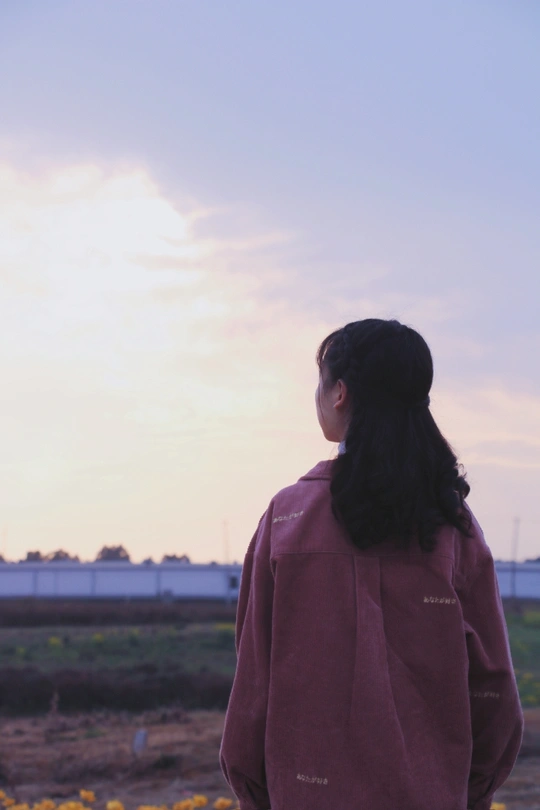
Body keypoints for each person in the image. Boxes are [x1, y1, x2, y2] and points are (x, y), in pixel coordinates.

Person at [219, 317, 524, 810]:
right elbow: (493, 688)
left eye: (320, 381)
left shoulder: (287, 519)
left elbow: (255, 681)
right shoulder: (452, 526)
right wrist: (466, 791)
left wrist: (257, 793)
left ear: (340, 392)